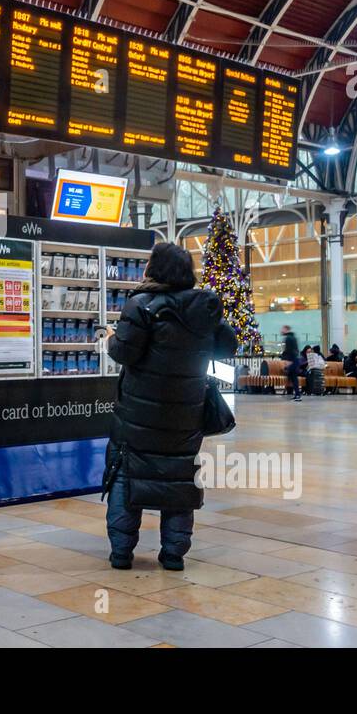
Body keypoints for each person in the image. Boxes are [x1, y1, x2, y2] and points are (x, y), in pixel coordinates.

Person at [102, 243, 236, 571]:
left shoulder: (141, 305)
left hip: (138, 414)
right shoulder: (203, 308)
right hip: (185, 414)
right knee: (178, 476)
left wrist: (109, 338)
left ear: (156, 268)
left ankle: (122, 552)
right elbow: (226, 347)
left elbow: (125, 353)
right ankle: (174, 553)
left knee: (126, 474)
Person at [279, 325, 301, 402]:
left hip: (292, 360)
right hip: (295, 359)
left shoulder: (288, 338)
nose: (281, 330)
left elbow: (289, 350)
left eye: (282, 329)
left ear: (286, 329)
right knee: (293, 377)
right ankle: (297, 394)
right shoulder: (293, 337)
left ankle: (297, 395)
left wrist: (288, 361)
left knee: (292, 377)